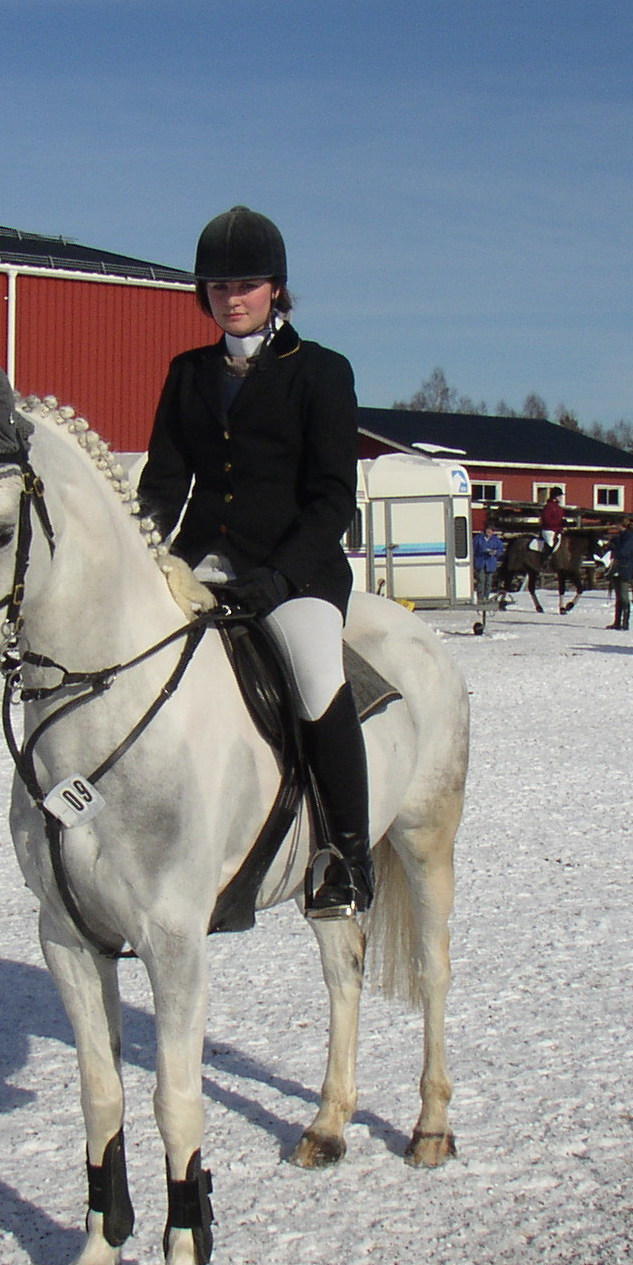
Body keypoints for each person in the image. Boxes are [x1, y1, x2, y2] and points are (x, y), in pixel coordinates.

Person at [139, 205, 372, 918]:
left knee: (314, 675)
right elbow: (162, 484)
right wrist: (144, 553)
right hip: (207, 562)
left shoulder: (323, 373)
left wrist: (281, 576)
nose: (232, 298)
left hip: (295, 573)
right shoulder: (187, 373)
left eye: (246, 284)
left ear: (275, 289)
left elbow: (334, 498)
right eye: (218, 287)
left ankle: (347, 856)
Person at [605, 519, 633, 630]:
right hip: (617, 567)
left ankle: (625, 622)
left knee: (623, 596)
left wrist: (613, 549)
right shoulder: (620, 536)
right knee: (618, 597)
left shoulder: (629, 537)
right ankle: (617, 621)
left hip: (625, 568)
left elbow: (624, 552)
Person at [472, 523, 506, 605]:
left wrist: (495, 552)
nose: (489, 532)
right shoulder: (478, 538)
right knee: (481, 581)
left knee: (488, 582)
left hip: (490, 564)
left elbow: (501, 550)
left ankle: (486, 598)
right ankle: (480, 599)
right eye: (488, 530)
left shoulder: (496, 540)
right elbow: (472, 549)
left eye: (491, 530)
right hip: (480, 563)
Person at [533, 487, 568, 554]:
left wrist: (564, 523)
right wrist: (560, 523)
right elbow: (547, 521)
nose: (561, 497)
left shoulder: (559, 508)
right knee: (550, 544)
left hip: (557, 530)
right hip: (548, 530)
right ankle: (545, 560)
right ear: (555, 496)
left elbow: (560, 519)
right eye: (560, 496)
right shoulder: (548, 507)